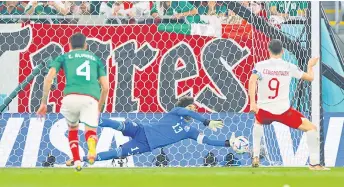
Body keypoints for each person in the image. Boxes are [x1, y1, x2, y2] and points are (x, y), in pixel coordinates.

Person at [66, 96, 236, 165]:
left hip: (145, 144)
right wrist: (206, 121)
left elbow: (207, 141)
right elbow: (185, 111)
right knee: (119, 124)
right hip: (142, 130)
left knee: (118, 152)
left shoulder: (190, 131)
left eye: (195, 109)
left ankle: (78, 159)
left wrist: (228, 143)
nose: (193, 111)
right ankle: (81, 118)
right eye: (191, 107)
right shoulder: (176, 112)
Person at [248, 39, 329, 170]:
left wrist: (253, 103)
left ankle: (256, 156)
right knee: (311, 128)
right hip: (284, 111)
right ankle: (314, 165)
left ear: (268, 50)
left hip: (264, 111)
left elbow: (252, 81)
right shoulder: (289, 66)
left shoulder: (260, 65)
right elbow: (310, 78)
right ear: (283, 51)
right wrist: (310, 66)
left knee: (258, 122)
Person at [36, 33, 109, 171]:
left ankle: (76, 161)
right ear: (86, 45)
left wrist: (44, 102)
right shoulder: (95, 59)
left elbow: (48, 78)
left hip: (70, 98)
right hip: (91, 98)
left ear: (69, 45)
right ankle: (91, 148)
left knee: (73, 129)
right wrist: (99, 107)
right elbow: (106, 87)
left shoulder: (63, 57)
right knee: (90, 130)